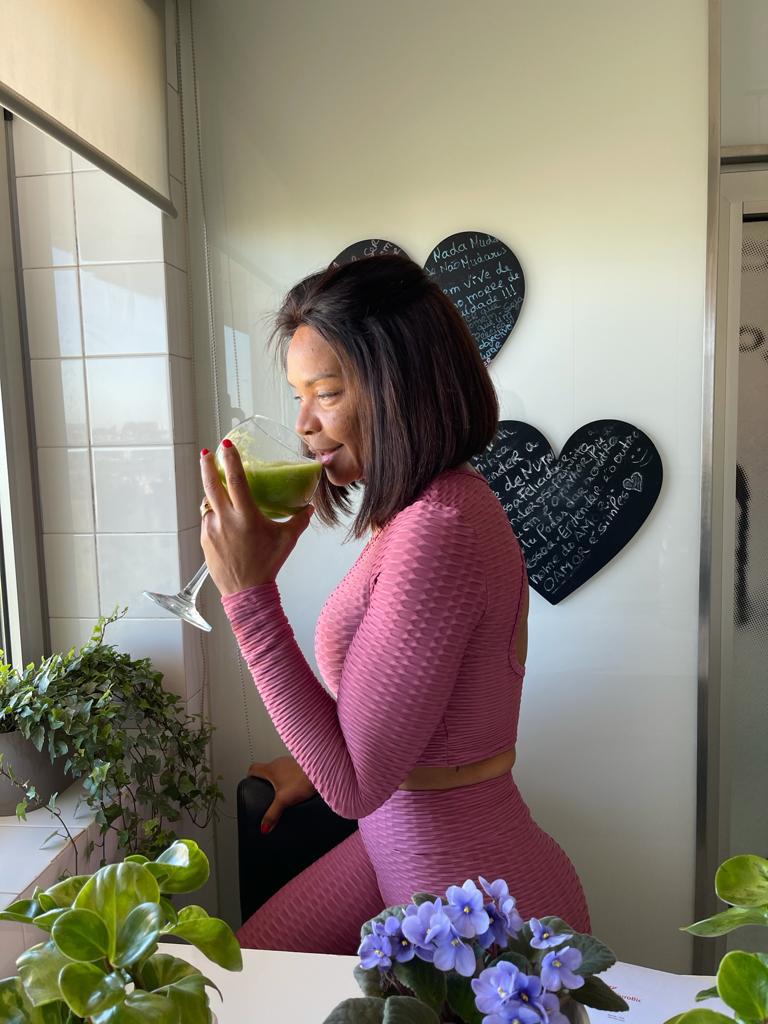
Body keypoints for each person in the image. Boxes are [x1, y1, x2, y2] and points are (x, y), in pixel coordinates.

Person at [199, 254, 590, 954]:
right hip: (401, 848)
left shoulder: (440, 527)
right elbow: (398, 729)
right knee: (241, 965)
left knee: (237, 978)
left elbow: (354, 785)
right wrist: (313, 764)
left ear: (398, 387)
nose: (304, 424)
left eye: (326, 393)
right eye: (297, 396)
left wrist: (248, 598)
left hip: (475, 902)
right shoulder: (417, 513)